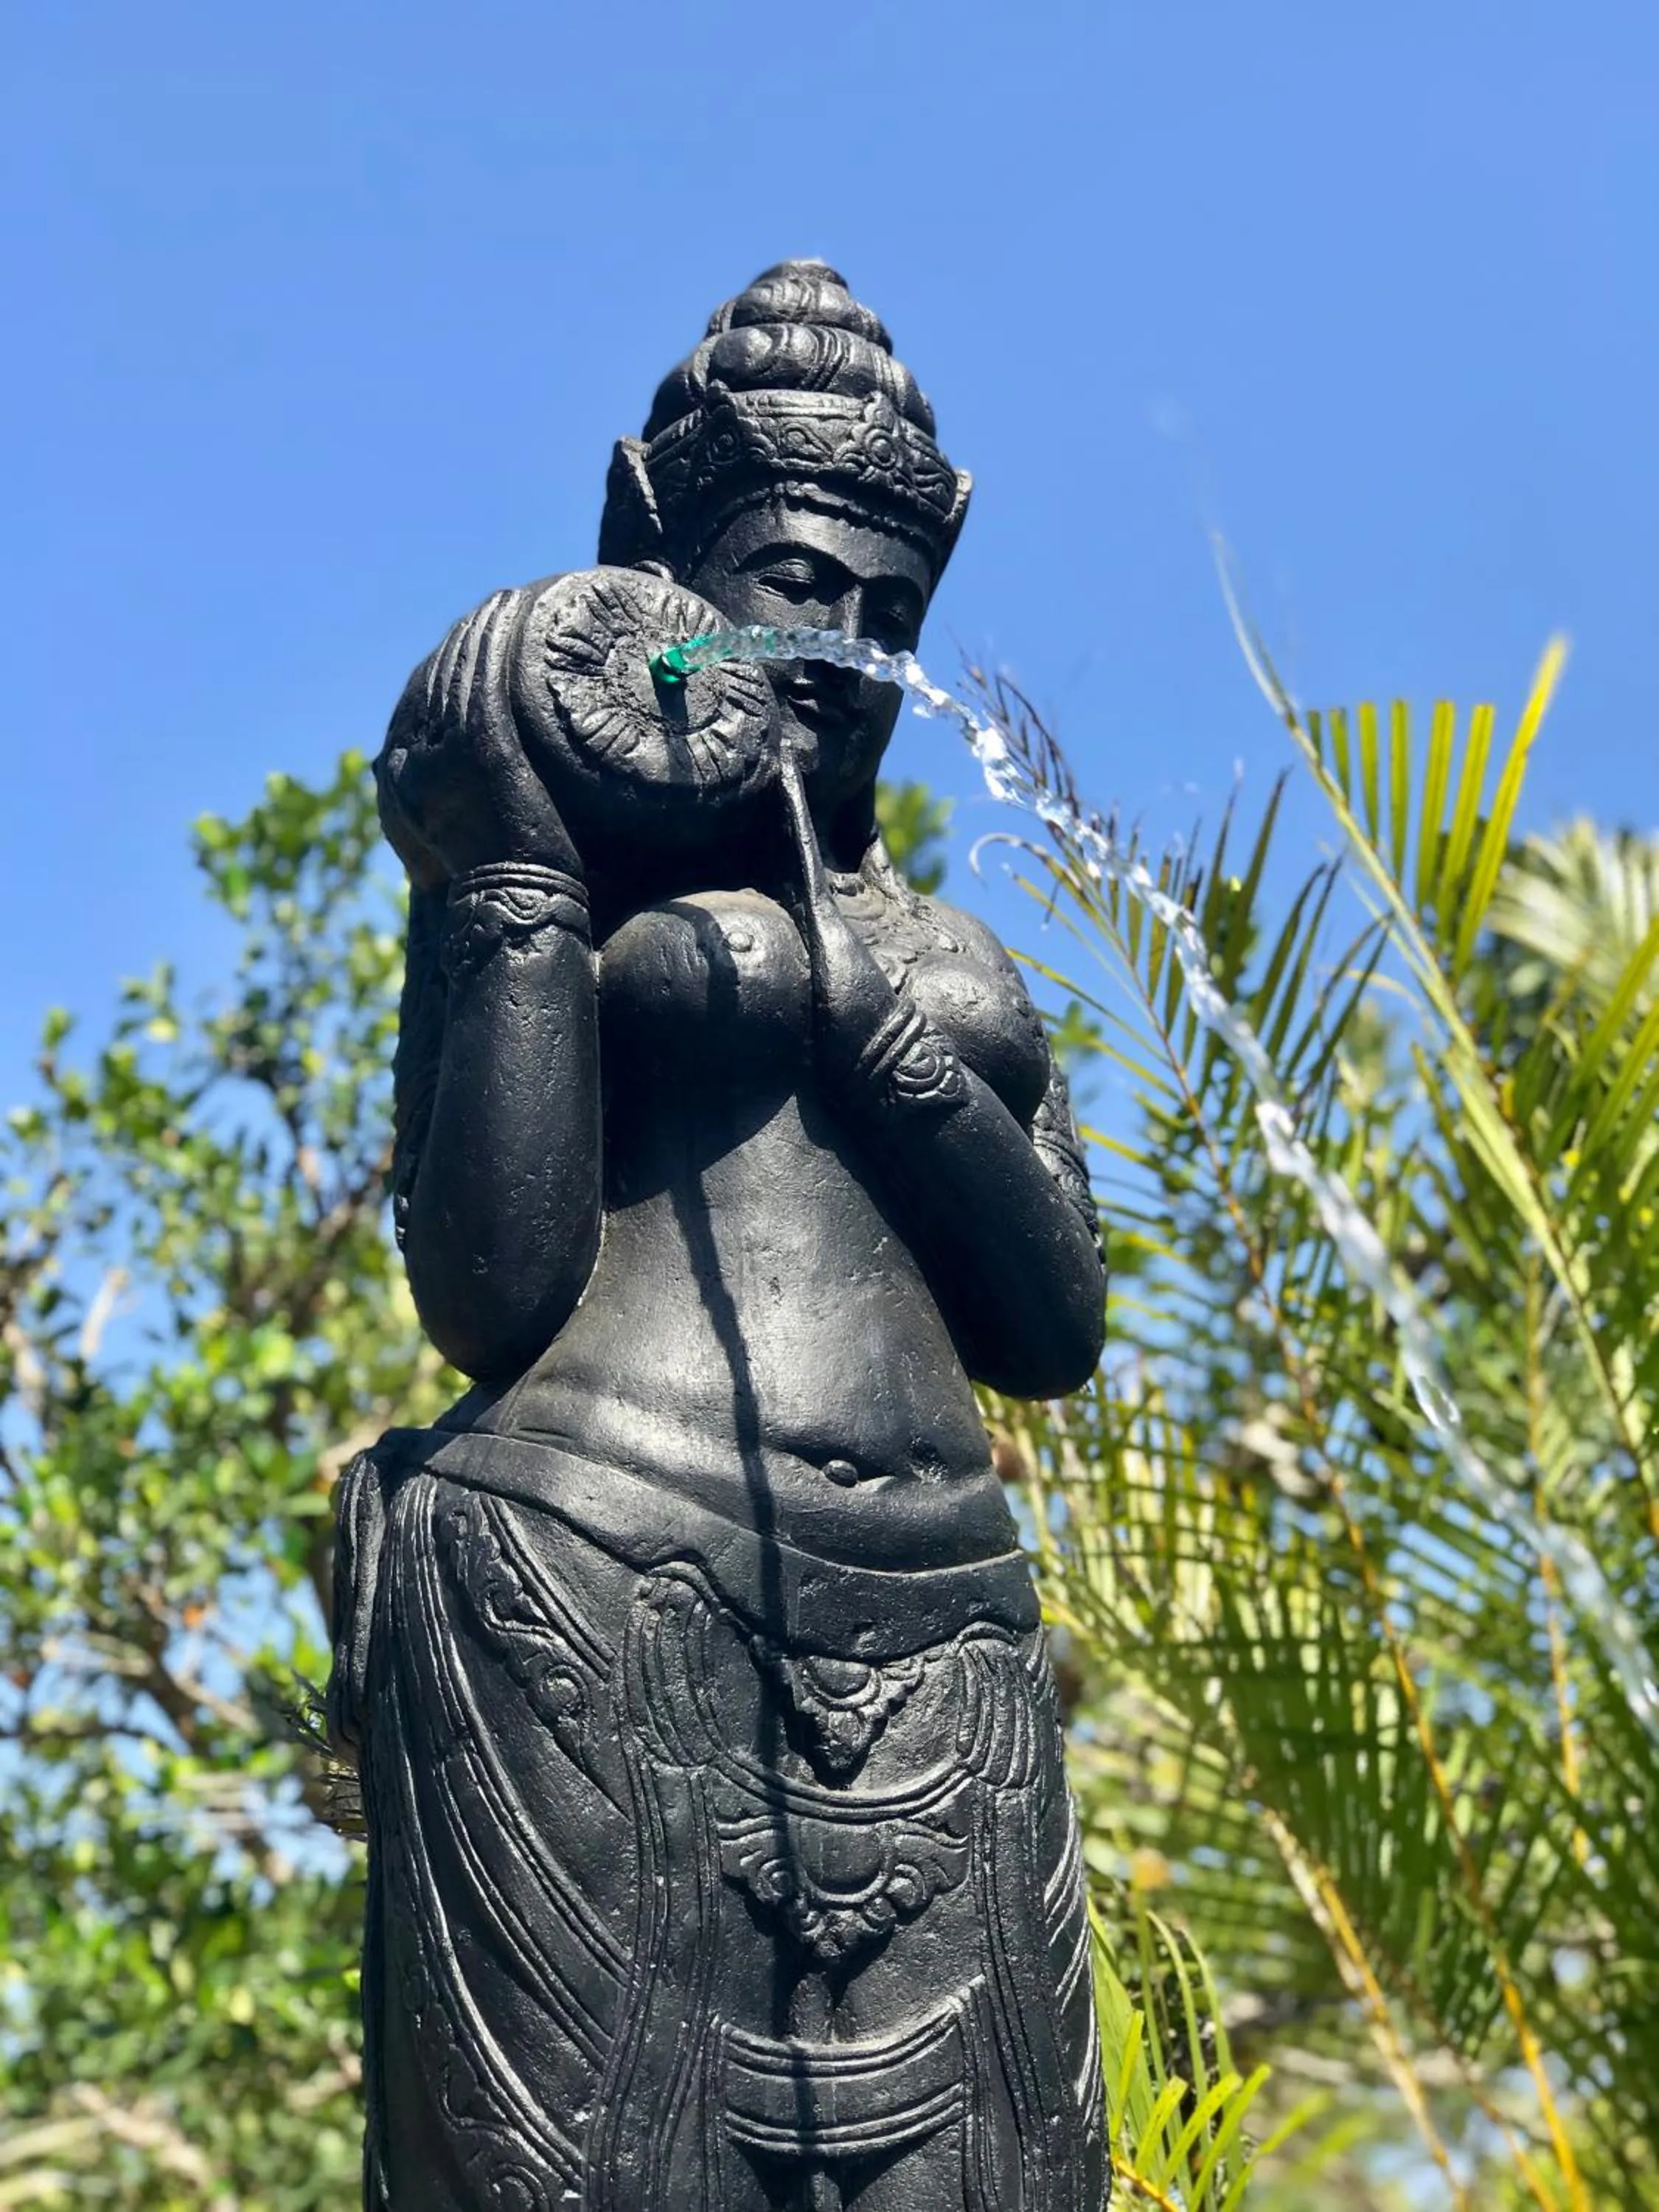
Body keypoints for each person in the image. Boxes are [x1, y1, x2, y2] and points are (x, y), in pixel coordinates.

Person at [330, 260, 1109, 2212]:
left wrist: (884, 1039)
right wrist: (512, 871)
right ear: (667, 575)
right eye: (796, 587)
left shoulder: (954, 953)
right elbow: (490, 1289)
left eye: (892, 614)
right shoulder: (558, 890)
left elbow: (1054, 1323)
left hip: (947, 1627)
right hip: (595, 1574)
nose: (844, 648)